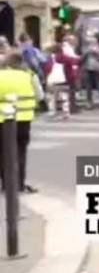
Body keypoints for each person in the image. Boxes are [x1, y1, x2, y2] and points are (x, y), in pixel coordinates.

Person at [0, 52, 42, 193]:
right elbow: (40, 95)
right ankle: (18, 184)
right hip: (24, 119)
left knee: (3, 151)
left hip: (2, 119)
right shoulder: (29, 75)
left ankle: (6, 183)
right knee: (20, 152)